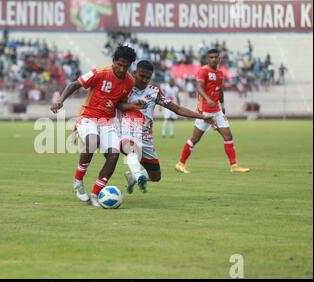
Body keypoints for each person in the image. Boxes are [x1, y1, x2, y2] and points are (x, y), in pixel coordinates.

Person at [50, 45, 141, 207]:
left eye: (125, 66)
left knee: (113, 156)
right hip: (88, 116)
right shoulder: (100, 72)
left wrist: (134, 105)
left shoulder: (129, 81)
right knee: (93, 141)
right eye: (119, 64)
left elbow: (120, 104)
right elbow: (74, 85)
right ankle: (78, 181)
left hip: (107, 121)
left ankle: (95, 194)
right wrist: (60, 100)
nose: (121, 69)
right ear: (113, 61)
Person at [119, 60, 215, 193]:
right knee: (130, 149)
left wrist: (202, 116)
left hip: (146, 138)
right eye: (142, 76)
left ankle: (132, 177)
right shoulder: (125, 88)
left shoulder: (154, 92)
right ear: (135, 73)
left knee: (156, 177)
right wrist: (133, 105)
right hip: (128, 130)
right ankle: (138, 174)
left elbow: (176, 109)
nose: (145, 80)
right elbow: (118, 105)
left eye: (148, 77)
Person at [174, 49, 250, 174]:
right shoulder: (203, 71)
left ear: (219, 59)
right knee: (195, 138)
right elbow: (198, 87)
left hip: (217, 111)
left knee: (228, 135)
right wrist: (208, 99)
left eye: (216, 57)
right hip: (204, 111)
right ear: (208, 59)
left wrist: (223, 105)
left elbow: (220, 91)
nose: (214, 59)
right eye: (211, 57)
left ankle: (234, 166)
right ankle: (180, 164)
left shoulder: (220, 73)